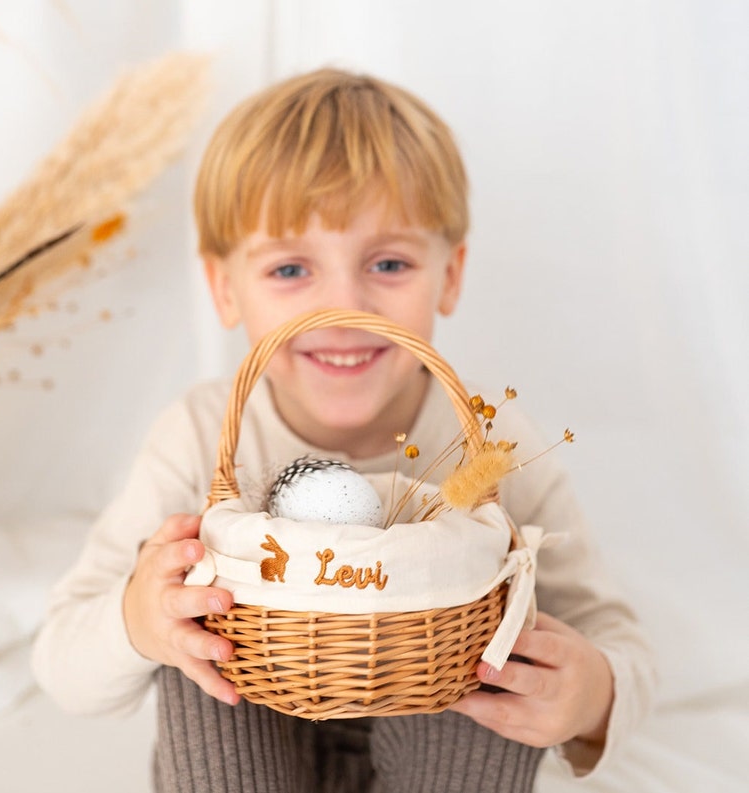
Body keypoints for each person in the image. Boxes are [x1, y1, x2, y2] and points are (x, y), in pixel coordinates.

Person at [32, 68, 654, 792]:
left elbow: (616, 637)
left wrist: (592, 695)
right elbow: (61, 665)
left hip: (438, 760)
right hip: (248, 761)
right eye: (292, 268)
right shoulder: (203, 435)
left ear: (449, 275)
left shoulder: (488, 439)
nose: (343, 305)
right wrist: (139, 621)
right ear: (225, 289)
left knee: (495, 615)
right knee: (194, 625)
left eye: (388, 263)